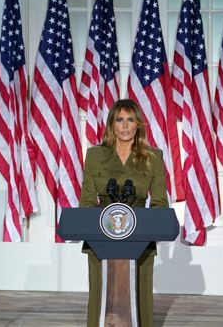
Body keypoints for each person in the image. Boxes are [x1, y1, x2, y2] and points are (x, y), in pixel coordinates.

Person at [79, 98, 168, 327]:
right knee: (101, 301)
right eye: (120, 120)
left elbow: (159, 204)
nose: (125, 126)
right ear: (112, 124)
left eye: (130, 120)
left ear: (138, 124)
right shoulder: (95, 155)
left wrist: (147, 226)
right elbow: (87, 203)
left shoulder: (153, 157)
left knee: (141, 303)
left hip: (140, 241)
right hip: (101, 240)